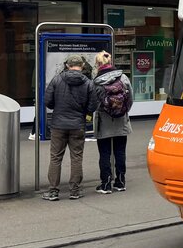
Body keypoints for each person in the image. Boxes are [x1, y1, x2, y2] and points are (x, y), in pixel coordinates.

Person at [43, 55, 94, 201]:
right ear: (82, 66)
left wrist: (57, 107)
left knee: (55, 157)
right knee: (76, 157)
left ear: (67, 65)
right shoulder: (88, 83)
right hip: (78, 124)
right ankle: (75, 191)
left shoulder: (57, 79)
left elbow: (48, 101)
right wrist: (83, 112)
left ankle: (53, 191)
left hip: (58, 125)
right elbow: (93, 105)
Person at [91, 51, 132, 194]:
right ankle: (120, 182)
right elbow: (130, 99)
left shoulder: (96, 82)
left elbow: (94, 103)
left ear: (98, 64)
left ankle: (106, 184)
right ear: (111, 61)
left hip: (103, 122)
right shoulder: (123, 77)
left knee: (105, 153)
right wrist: (123, 111)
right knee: (120, 152)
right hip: (121, 120)